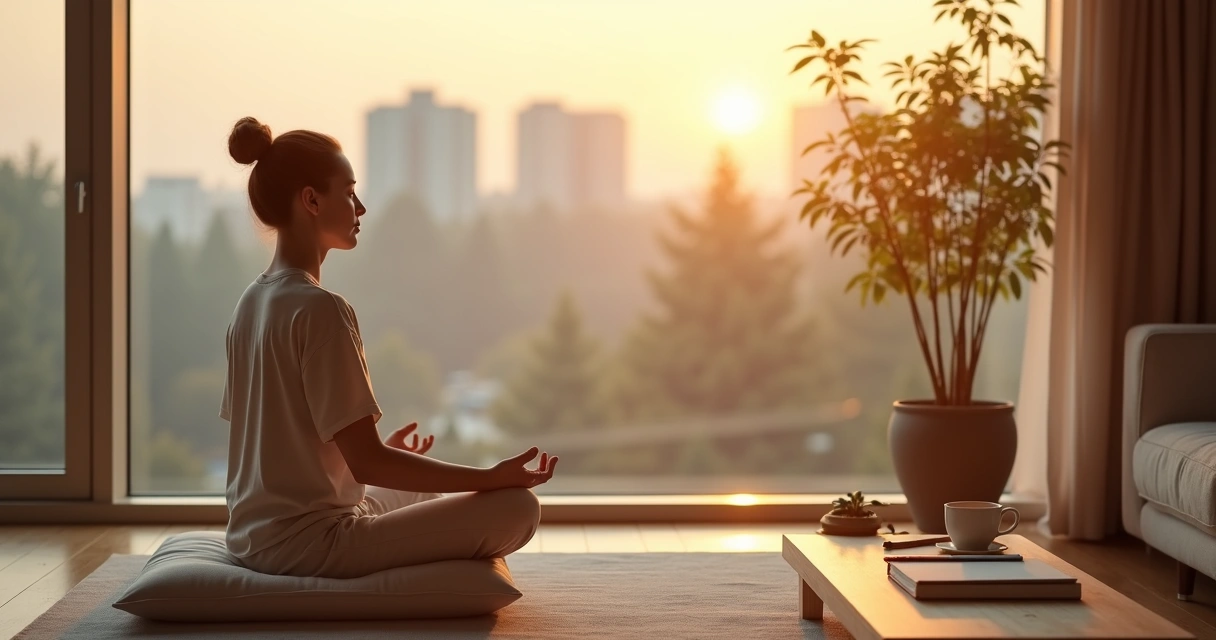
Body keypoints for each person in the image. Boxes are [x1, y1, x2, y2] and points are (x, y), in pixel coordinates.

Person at [220, 116, 557, 579]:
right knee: (519, 507)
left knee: (420, 488)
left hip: (250, 537)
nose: (360, 207)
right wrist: (489, 479)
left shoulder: (250, 302)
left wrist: (354, 460)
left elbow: (276, 439)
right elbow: (369, 462)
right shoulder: (321, 310)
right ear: (312, 200)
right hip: (310, 545)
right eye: (349, 192)